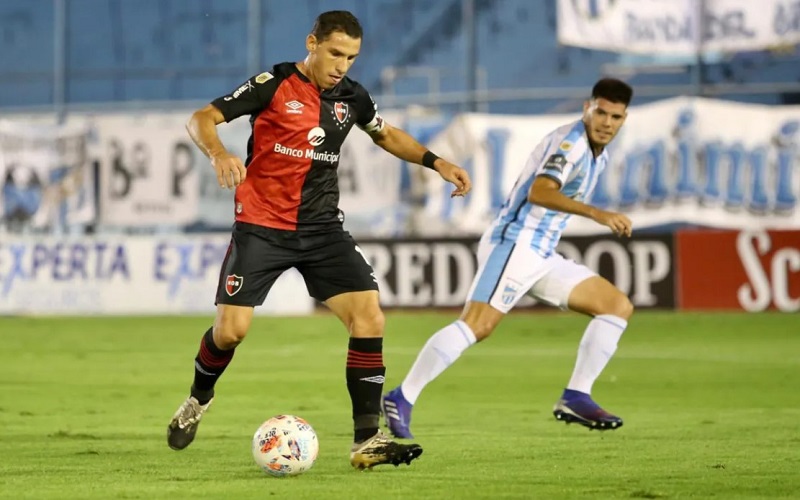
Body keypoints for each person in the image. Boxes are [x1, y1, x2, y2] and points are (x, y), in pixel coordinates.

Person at [167, 10, 472, 470]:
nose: (341, 66)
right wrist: (218, 153)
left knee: (369, 317)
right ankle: (198, 398)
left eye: (351, 57)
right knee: (231, 332)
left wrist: (437, 162)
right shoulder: (274, 84)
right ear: (312, 43)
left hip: (322, 229)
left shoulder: (352, 97)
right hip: (262, 226)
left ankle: (366, 440)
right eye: (335, 53)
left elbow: (386, 134)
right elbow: (201, 118)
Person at [382, 78, 635, 439]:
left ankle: (577, 395)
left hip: (541, 253)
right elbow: (540, 192)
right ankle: (402, 397)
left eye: (615, 117)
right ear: (587, 109)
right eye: (601, 113)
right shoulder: (573, 143)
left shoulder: (599, 153)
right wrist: (597, 214)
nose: (607, 122)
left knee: (615, 306)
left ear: (623, 119)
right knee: (477, 325)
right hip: (515, 243)